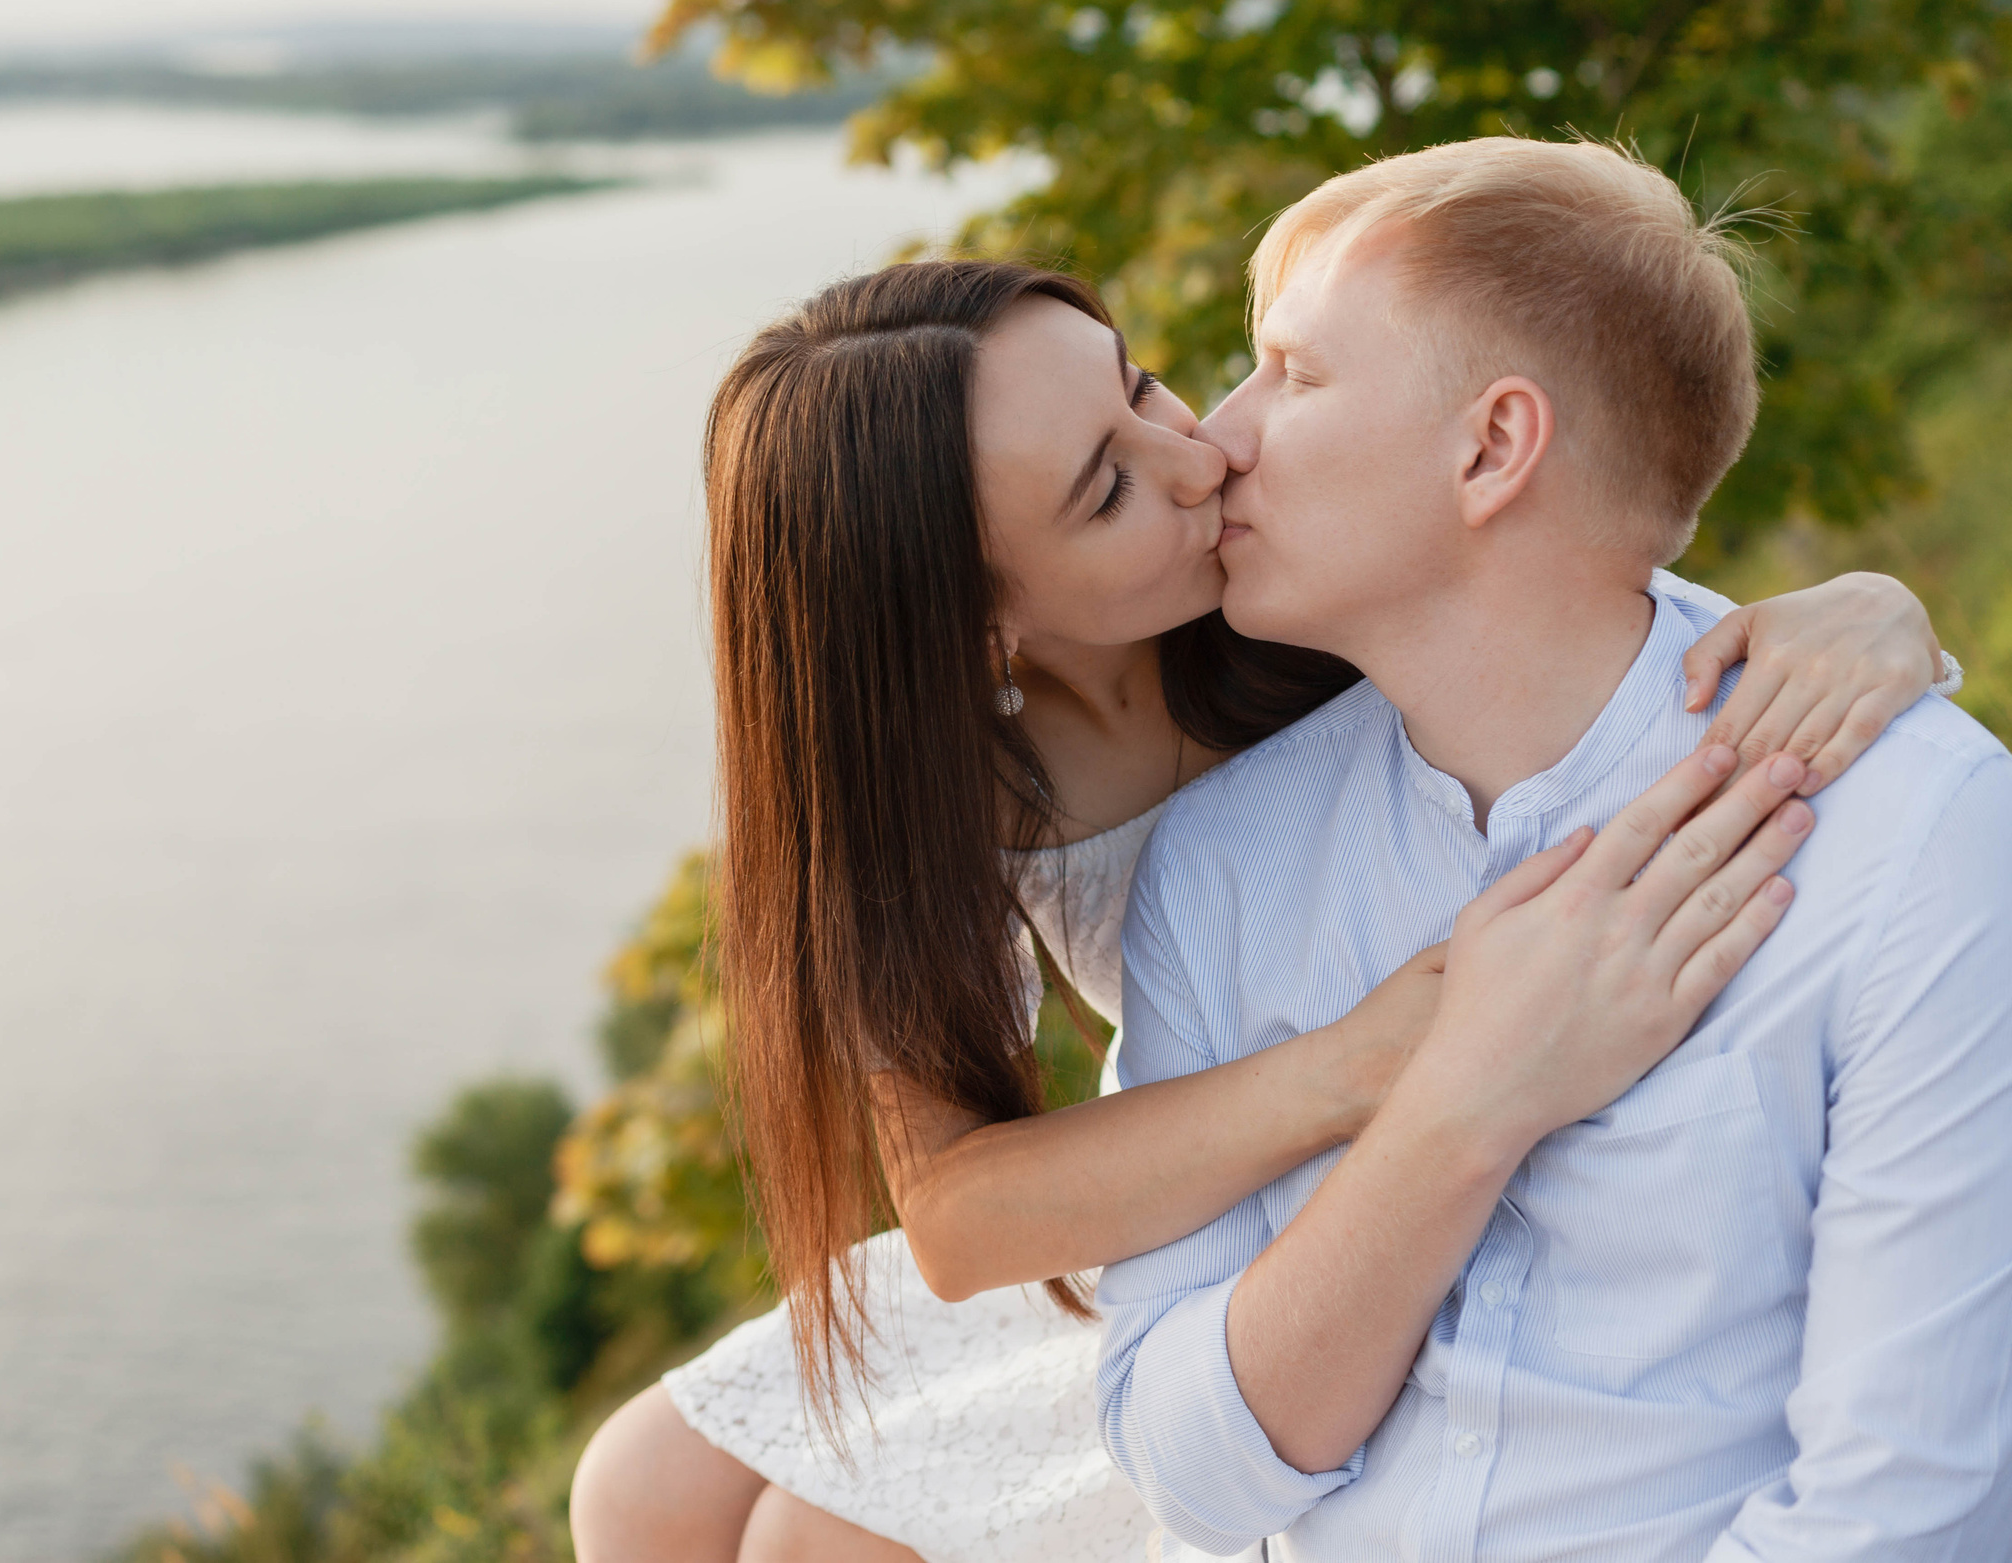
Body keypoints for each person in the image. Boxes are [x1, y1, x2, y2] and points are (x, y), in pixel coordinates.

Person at [569, 257, 1957, 1563]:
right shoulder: (920, 782)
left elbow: (1557, 589)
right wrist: (1361, 1061)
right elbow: (958, 1220)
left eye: (1142, 382)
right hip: (1208, 1173)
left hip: (1362, 1211)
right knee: (637, 1492)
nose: (1201, 456)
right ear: (971, 627)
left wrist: (1866, 607)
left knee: (815, 1541)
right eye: (1108, 490)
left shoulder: (1303, 576)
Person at [1098, 136, 2012, 1560]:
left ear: (1492, 447)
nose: (1219, 434)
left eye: (1295, 371)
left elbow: (1903, 1515)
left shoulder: (1907, 837)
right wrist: (1465, 1108)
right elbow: (1193, 1481)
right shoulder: (1221, 867)